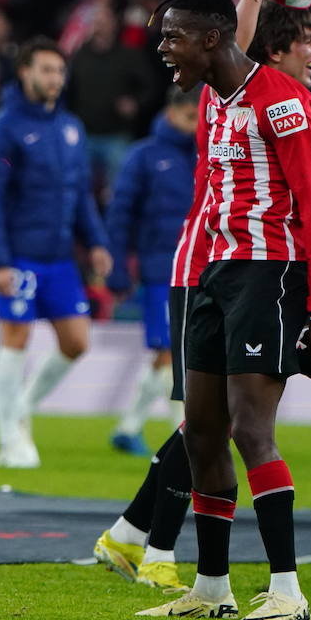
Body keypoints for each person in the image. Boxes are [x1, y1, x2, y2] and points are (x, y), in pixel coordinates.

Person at [133, 0, 311, 620]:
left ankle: (288, 591)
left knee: (252, 430)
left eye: (174, 39)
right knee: (200, 434)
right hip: (213, 277)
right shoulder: (214, 101)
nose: (163, 49)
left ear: (212, 39)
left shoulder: (281, 100)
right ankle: (211, 586)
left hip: (267, 274)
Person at [0, 38, 112, 469]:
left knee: (77, 342)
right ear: (25, 72)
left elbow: (80, 195)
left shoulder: (70, 127)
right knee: (15, 341)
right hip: (19, 257)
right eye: (46, 70)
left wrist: (97, 243)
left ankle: (21, 408)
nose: (54, 78)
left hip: (60, 258)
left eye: (59, 71)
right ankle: (8, 440)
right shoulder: (3, 127)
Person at [104, 87, 198, 456]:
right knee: (167, 350)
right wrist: (116, 265)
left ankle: (161, 428)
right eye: (190, 116)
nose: (195, 125)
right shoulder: (143, 156)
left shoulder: (206, 156)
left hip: (198, 269)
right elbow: (120, 212)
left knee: (179, 352)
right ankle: (134, 427)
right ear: (172, 112)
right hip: (160, 268)